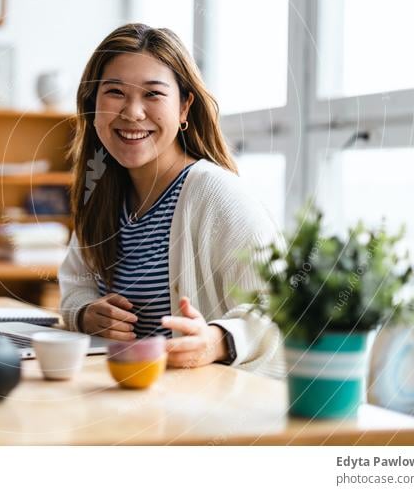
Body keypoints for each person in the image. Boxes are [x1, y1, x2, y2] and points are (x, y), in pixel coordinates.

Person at [59, 23, 284, 377]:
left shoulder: (217, 194)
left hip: (200, 415)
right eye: (115, 92)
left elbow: (279, 306)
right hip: (125, 398)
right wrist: (86, 313)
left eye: (153, 94)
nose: (132, 112)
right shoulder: (101, 192)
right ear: (93, 105)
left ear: (184, 108)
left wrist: (217, 340)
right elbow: (76, 284)